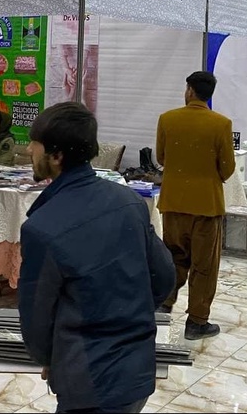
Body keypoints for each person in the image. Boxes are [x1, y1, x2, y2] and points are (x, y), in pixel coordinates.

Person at [19, 102, 175, 414]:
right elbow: (164, 276)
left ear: (56, 155)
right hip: (137, 370)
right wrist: (130, 318)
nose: (28, 150)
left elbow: (36, 318)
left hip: (87, 381)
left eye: (34, 143)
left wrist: (51, 358)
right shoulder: (128, 201)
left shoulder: (43, 227)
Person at [155, 71, 236, 340]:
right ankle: (196, 322)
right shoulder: (221, 124)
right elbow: (227, 168)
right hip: (206, 205)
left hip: (173, 203)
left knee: (172, 257)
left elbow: (162, 158)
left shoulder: (167, 119)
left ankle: (163, 306)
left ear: (189, 90)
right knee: (204, 265)